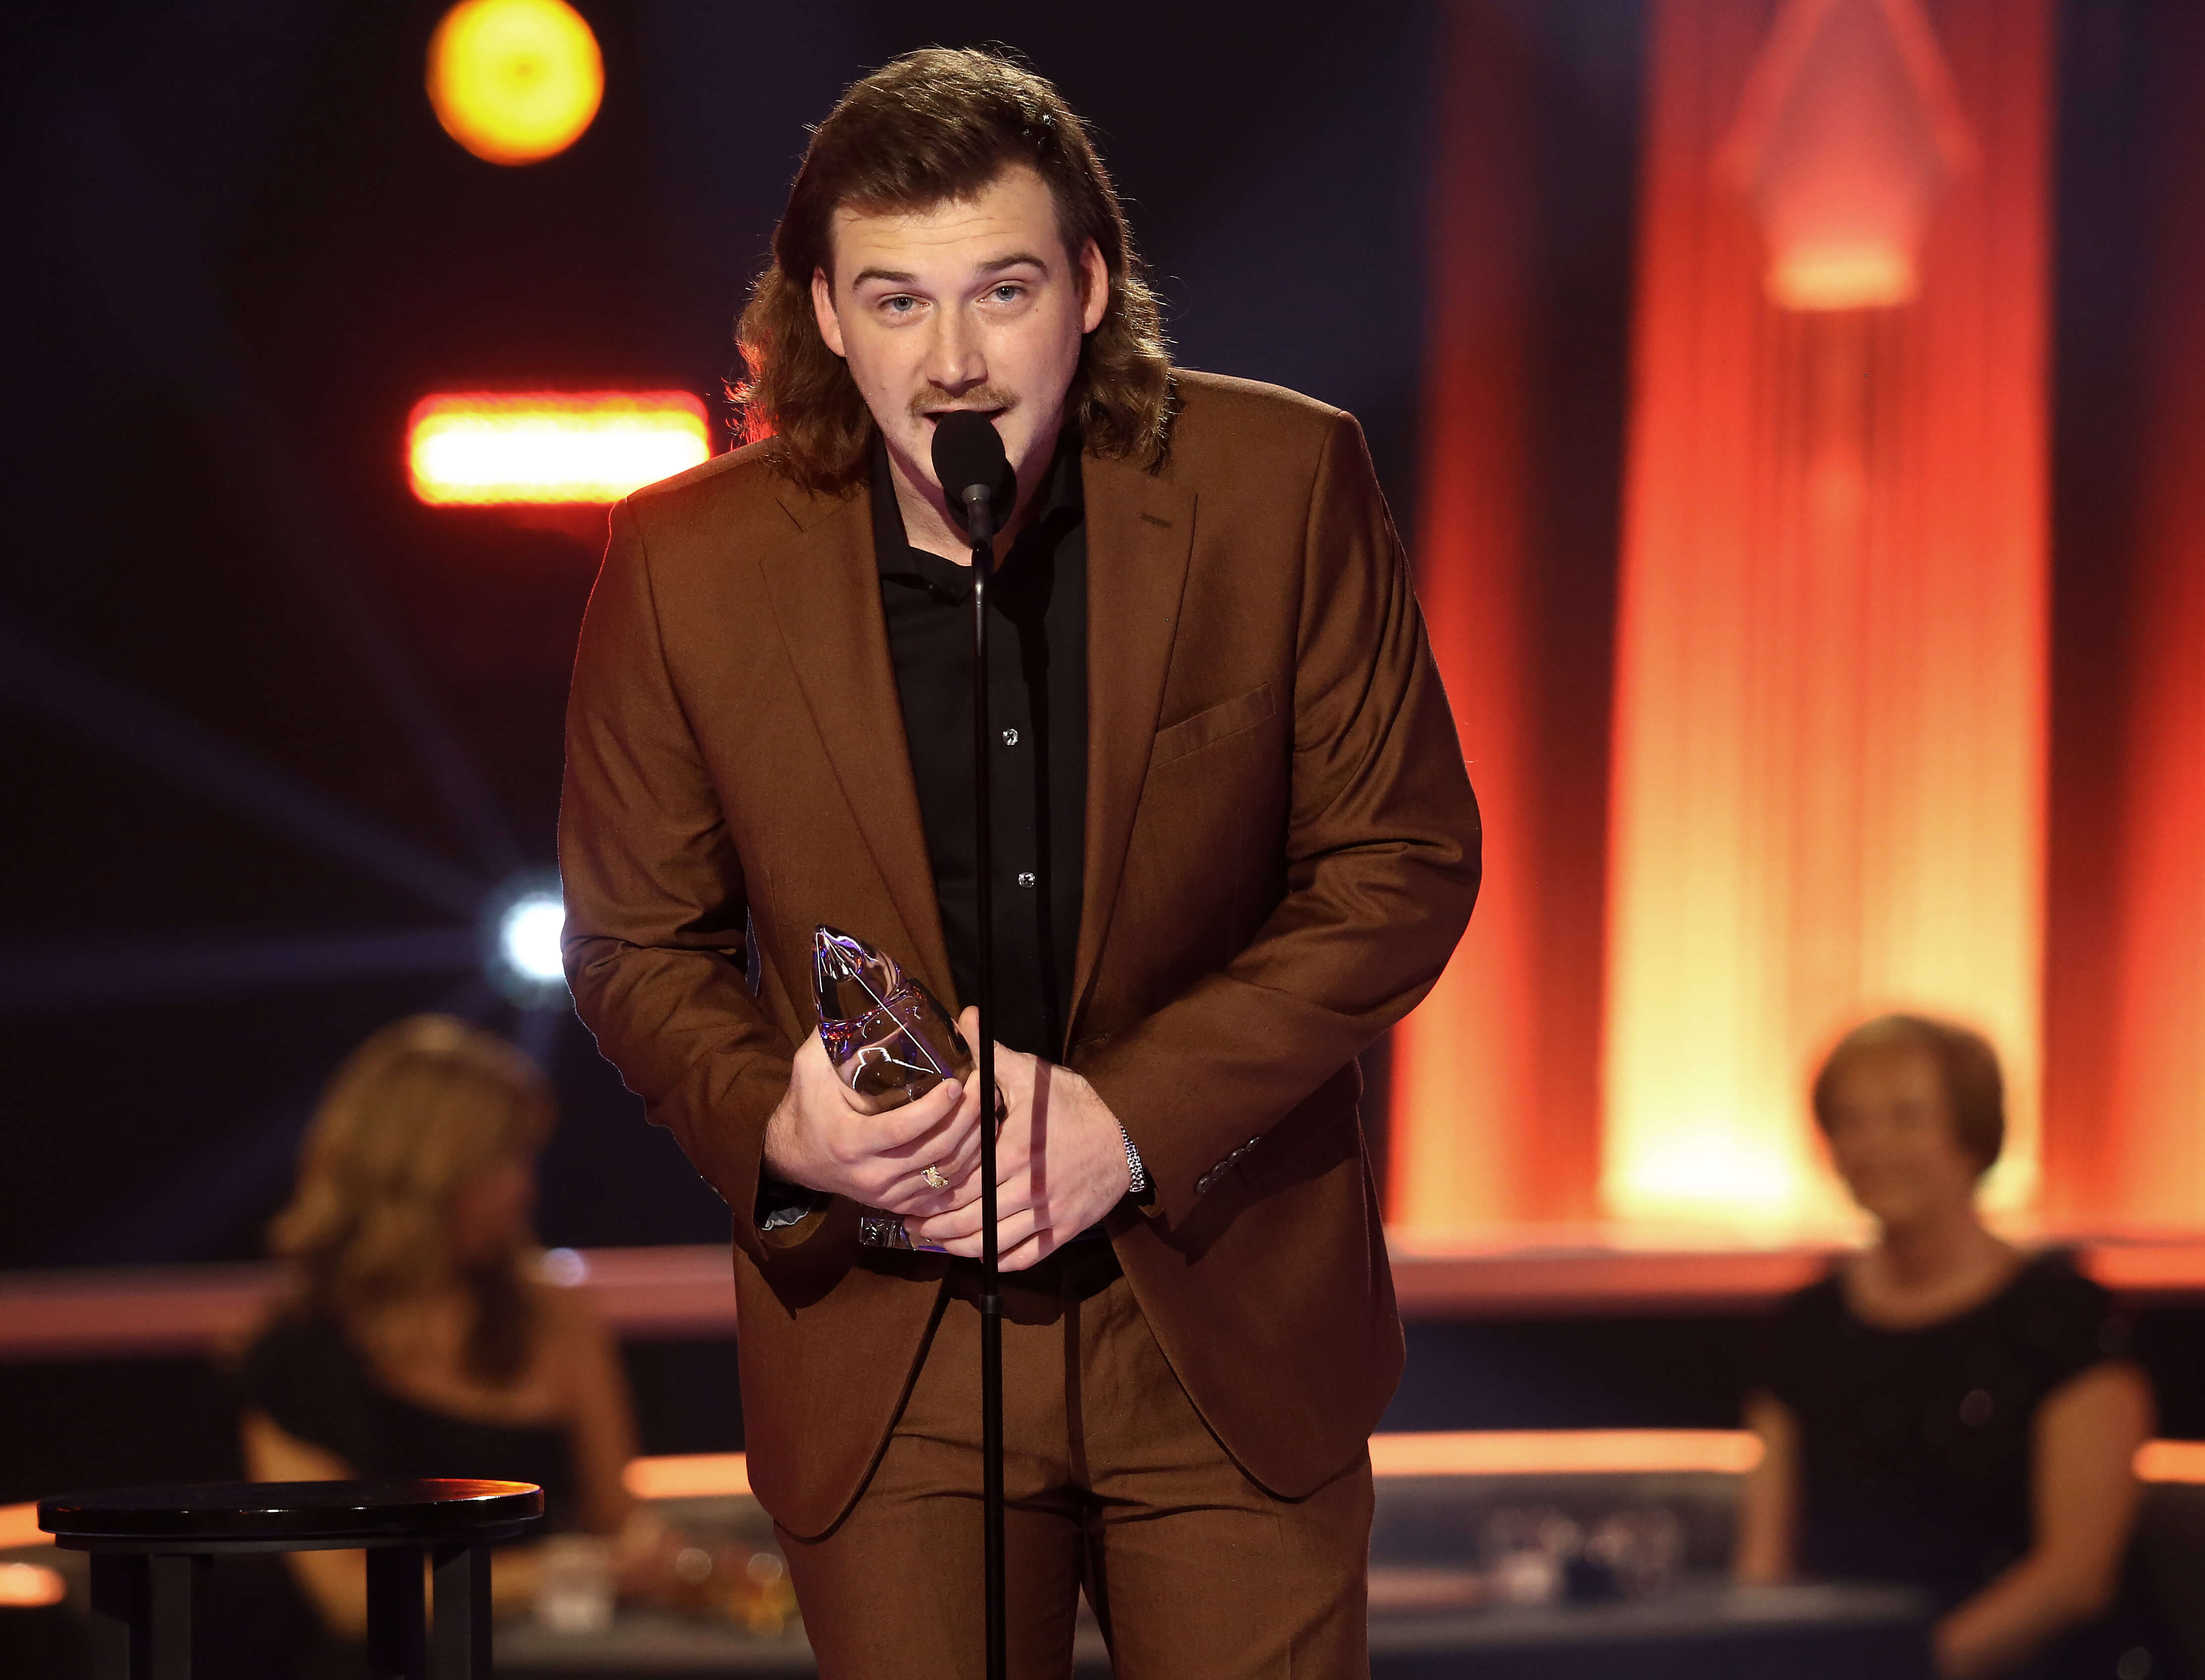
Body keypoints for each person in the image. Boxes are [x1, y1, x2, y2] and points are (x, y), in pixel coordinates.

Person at [559, 44, 1479, 1680]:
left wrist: (1124, 1121)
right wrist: (781, 1127)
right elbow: (638, 944)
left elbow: (1398, 858)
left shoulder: (1274, 483)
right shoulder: (684, 562)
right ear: (825, 316)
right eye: (897, 302)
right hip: (883, 1328)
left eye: (1002, 290)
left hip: (1218, 1308)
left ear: (1092, 286)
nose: (956, 358)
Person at [1735, 1014, 2169, 1680]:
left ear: (1972, 1136)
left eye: (1905, 1118)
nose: (1872, 1145)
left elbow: (2075, 1578)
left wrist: (1908, 1669)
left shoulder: (2060, 1316)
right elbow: (1765, 1565)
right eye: (1851, 1121)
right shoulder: (1807, 1324)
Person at [237, 1015, 677, 1637]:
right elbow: (349, 1600)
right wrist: (564, 1570)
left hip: (561, 1656)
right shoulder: (295, 1358)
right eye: (503, 1161)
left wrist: (675, 1563)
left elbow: (618, 1521)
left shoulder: (555, 1315)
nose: (525, 1189)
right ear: (423, 1174)